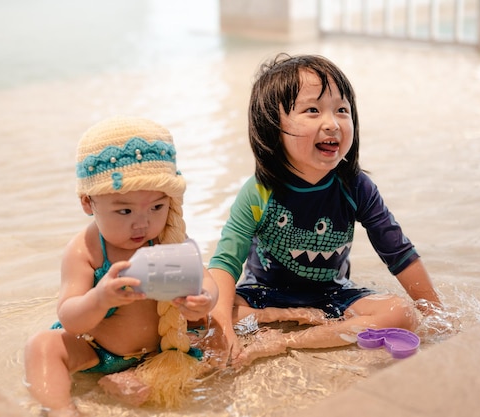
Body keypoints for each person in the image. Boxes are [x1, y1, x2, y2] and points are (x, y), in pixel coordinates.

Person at [207, 53, 442, 367]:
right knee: (202, 307)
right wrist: (220, 327)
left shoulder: (356, 187)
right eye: (313, 110)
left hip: (331, 296)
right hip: (261, 296)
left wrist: (434, 311)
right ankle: (281, 318)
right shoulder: (258, 192)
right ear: (272, 127)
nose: (332, 124)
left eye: (342, 110)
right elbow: (225, 262)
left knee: (401, 313)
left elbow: (397, 252)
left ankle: (286, 341)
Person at [24, 116, 219, 416]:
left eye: (157, 207)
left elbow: (205, 282)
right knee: (42, 346)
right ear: (88, 204)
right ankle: (61, 409)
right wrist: (100, 298)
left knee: (218, 328)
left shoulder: (168, 236)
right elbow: (70, 318)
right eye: (124, 210)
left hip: (161, 350)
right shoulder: (86, 250)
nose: (142, 222)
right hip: (100, 352)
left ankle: (140, 380)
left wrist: (202, 301)